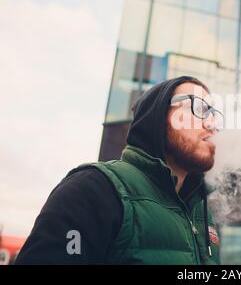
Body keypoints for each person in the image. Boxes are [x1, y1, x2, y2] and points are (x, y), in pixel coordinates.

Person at [15, 76, 223, 264]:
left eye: (213, 113)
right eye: (199, 107)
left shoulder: (203, 214)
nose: (211, 123)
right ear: (157, 116)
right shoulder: (93, 189)